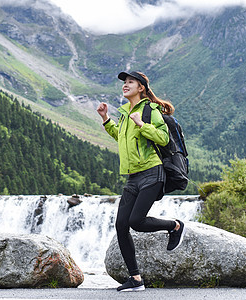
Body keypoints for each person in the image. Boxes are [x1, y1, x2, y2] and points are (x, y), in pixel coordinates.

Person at [97, 71, 186, 292]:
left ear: (141, 88)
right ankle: (135, 279)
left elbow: (163, 138)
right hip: (133, 176)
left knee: (136, 221)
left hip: (152, 173)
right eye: (124, 82)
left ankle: (175, 226)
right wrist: (106, 120)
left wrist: (142, 125)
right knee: (121, 225)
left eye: (130, 82)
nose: (125, 85)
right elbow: (122, 138)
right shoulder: (126, 112)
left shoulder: (150, 110)